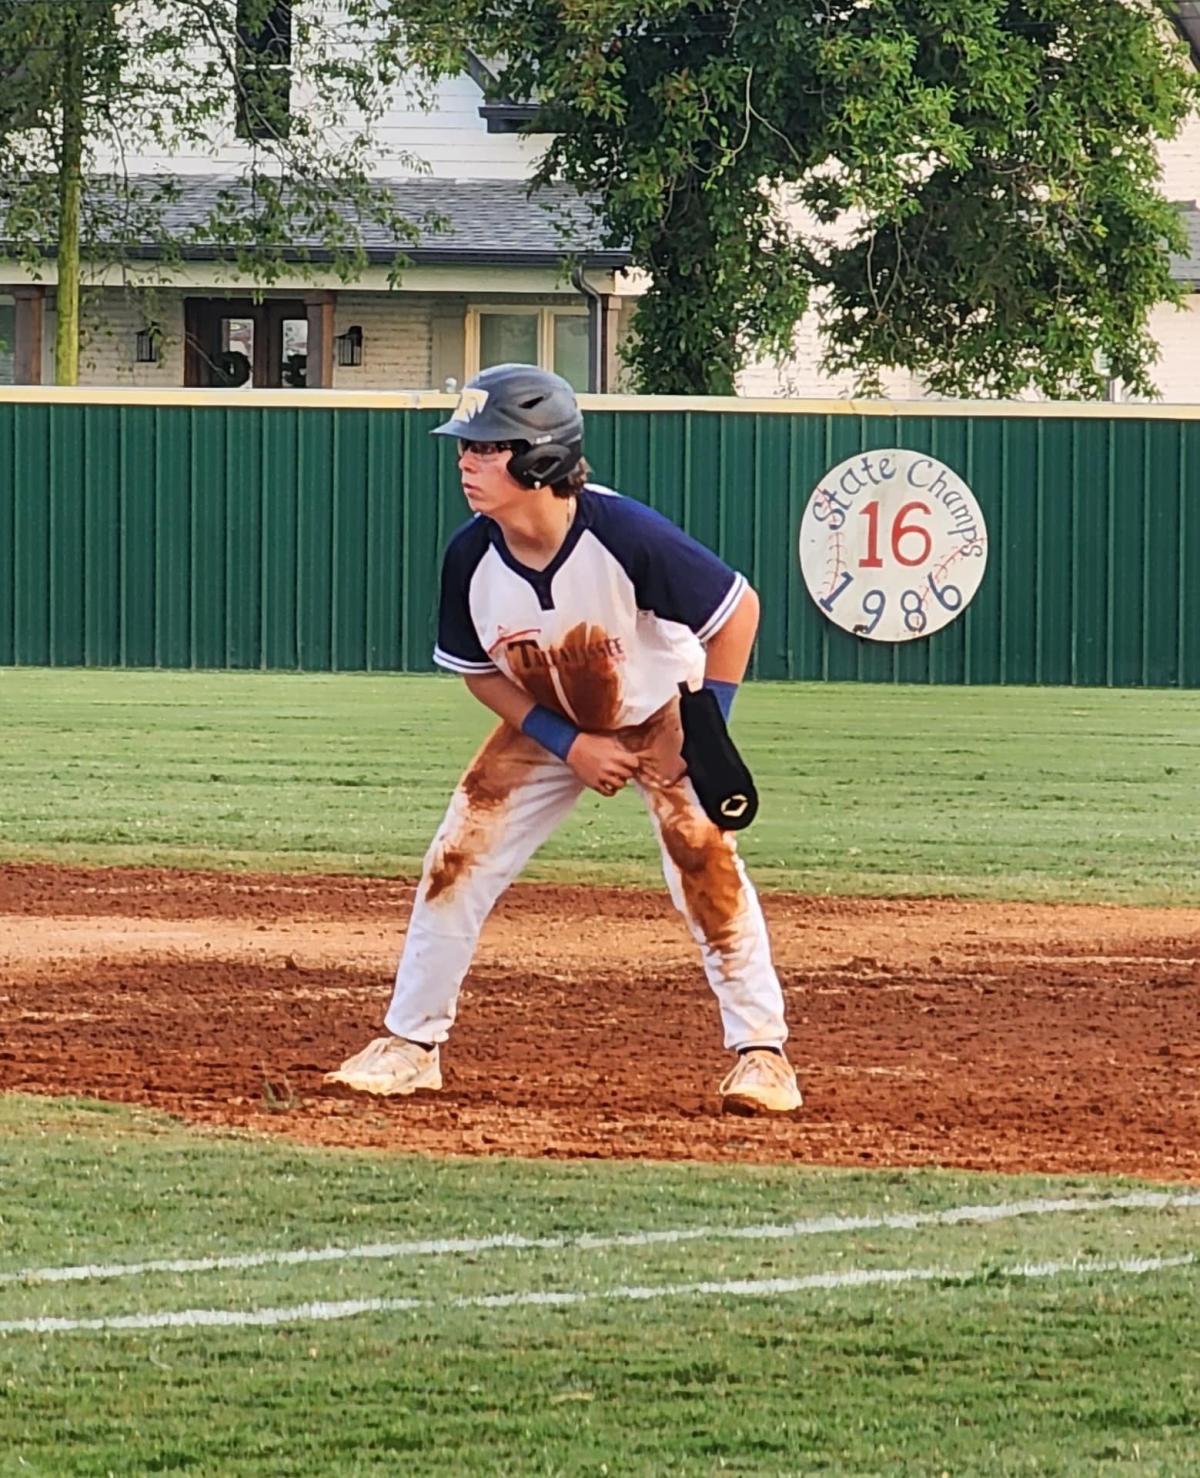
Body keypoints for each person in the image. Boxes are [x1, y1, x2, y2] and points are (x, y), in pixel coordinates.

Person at [326, 363, 801, 1115]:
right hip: (548, 721)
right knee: (457, 857)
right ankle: (411, 1046)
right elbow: (481, 674)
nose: (465, 462)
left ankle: (763, 1057)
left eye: (485, 448)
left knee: (705, 861)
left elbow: (736, 613)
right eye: (467, 448)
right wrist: (567, 742)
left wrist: (705, 729)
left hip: (662, 714)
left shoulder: (625, 534)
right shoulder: (470, 555)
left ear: (540, 459)